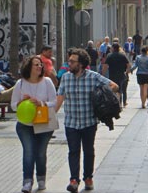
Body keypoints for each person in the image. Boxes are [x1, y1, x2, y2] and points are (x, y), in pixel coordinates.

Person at [56, 48, 119, 193]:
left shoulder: (93, 77)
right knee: (73, 151)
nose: (69, 64)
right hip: (71, 122)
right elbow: (60, 98)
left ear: (81, 63)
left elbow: (113, 85)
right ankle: (73, 180)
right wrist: (50, 115)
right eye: (69, 61)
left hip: (89, 121)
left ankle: (88, 178)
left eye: (72, 61)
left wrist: (103, 95)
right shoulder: (65, 77)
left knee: (88, 151)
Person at [11, 55, 57, 193]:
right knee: (29, 152)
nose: (39, 67)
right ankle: (27, 181)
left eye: (40, 65)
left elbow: (54, 102)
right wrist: (20, 103)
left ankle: (41, 178)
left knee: (41, 153)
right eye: (36, 64)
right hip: (25, 124)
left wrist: (41, 103)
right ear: (29, 67)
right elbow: (13, 105)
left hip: (43, 123)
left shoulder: (47, 82)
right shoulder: (21, 83)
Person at [102, 43, 131, 107]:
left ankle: (117, 103)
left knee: (114, 89)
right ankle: (119, 104)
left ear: (113, 48)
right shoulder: (122, 55)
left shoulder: (110, 56)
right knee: (120, 89)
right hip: (121, 75)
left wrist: (103, 74)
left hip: (112, 75)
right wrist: (127, 72)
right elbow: (128, 65)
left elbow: (105, 66)